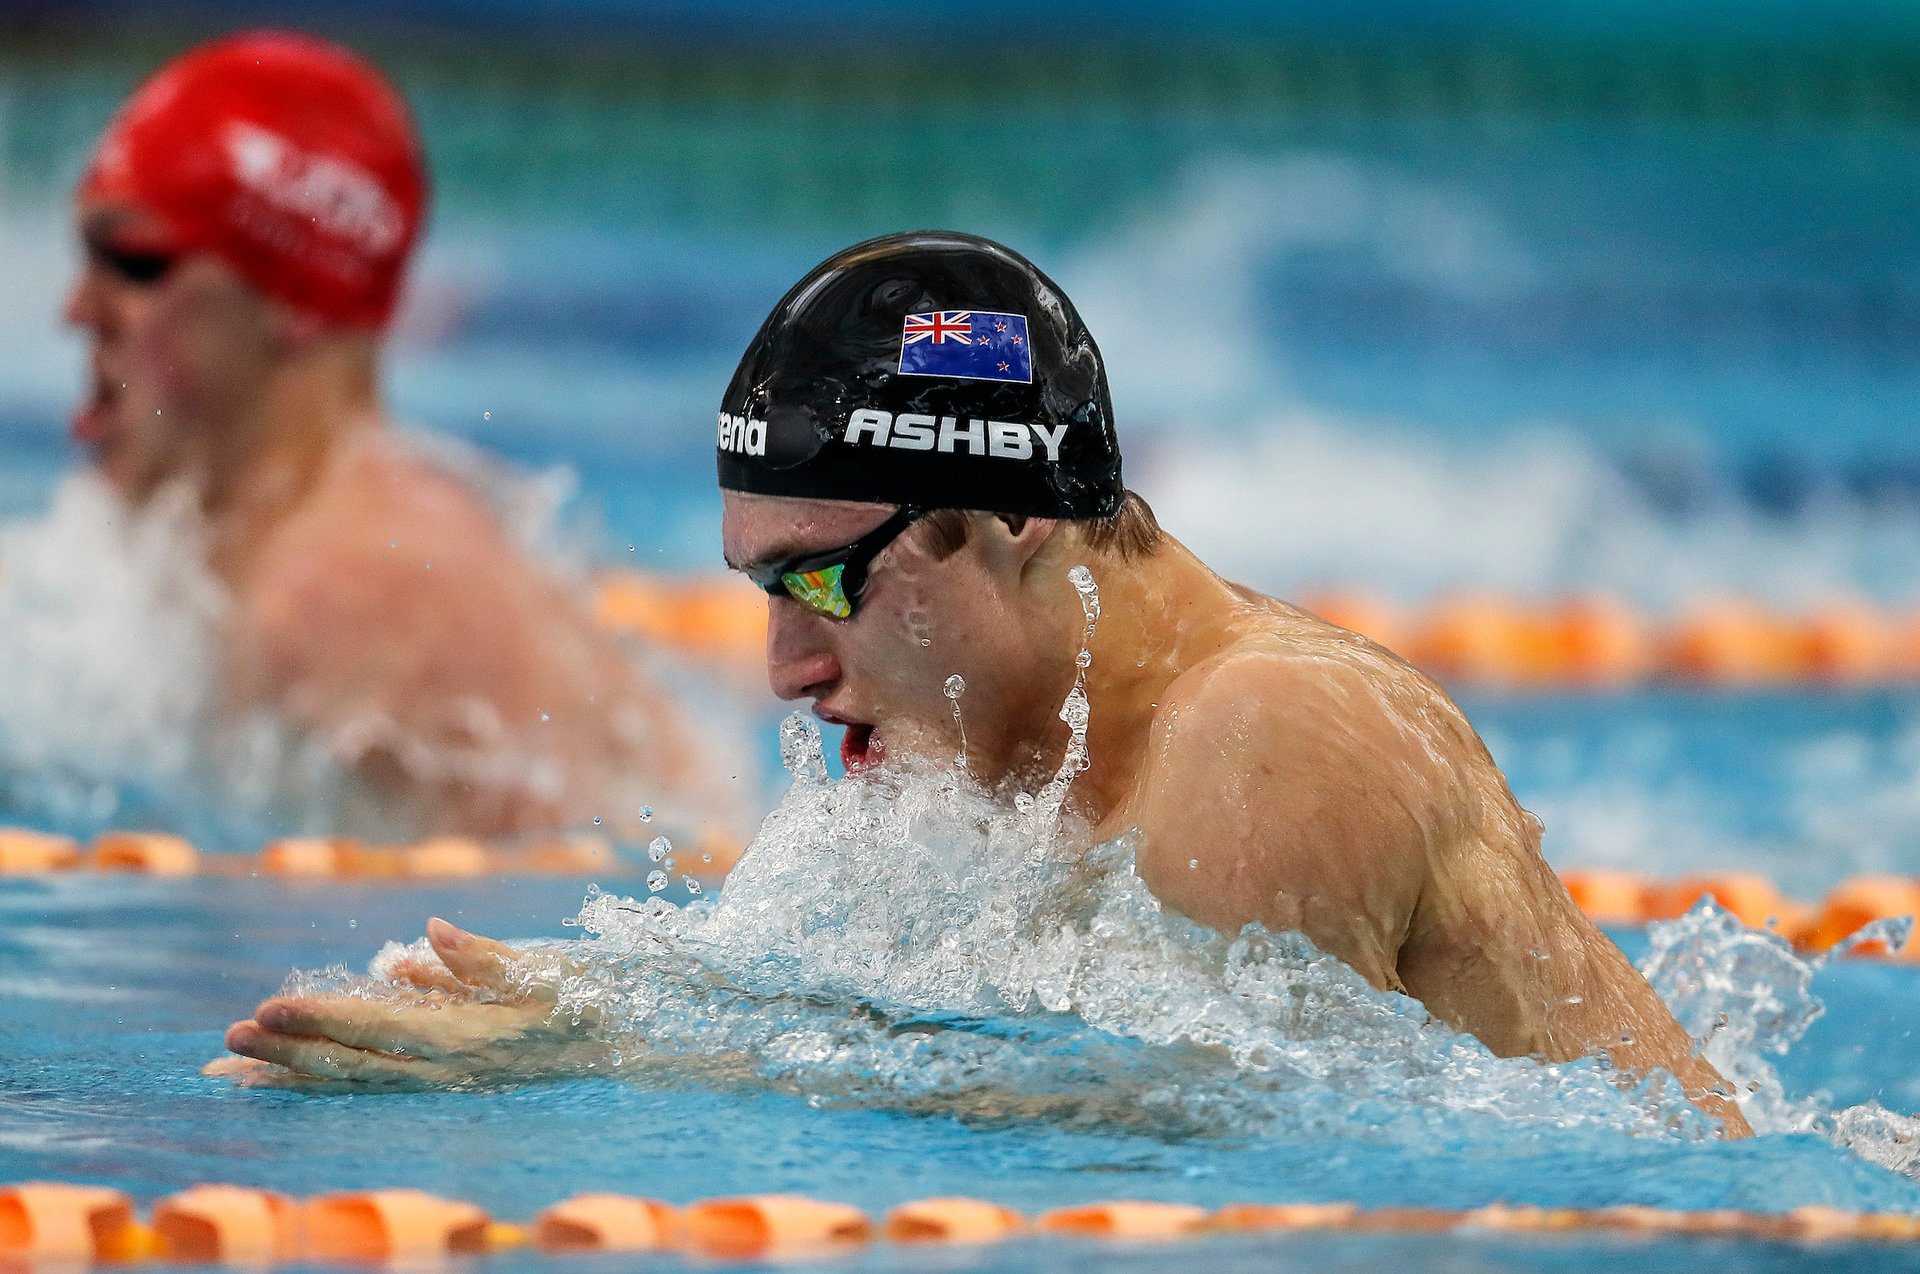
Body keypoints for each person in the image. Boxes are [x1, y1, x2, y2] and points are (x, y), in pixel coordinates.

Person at [215, 232, 1751, 1138]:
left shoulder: (1273, 731)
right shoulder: (1022, 754)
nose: (789, 667)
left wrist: (616, 1056)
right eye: (764, 590)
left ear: (1009, 521)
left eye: (827, 579)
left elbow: (1194, 1131)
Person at [63, 31, 725, 838]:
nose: (77, 311)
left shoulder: (353, 602)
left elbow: (556, 893)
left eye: (135, 263)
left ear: (294, 295)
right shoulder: (250, 547)